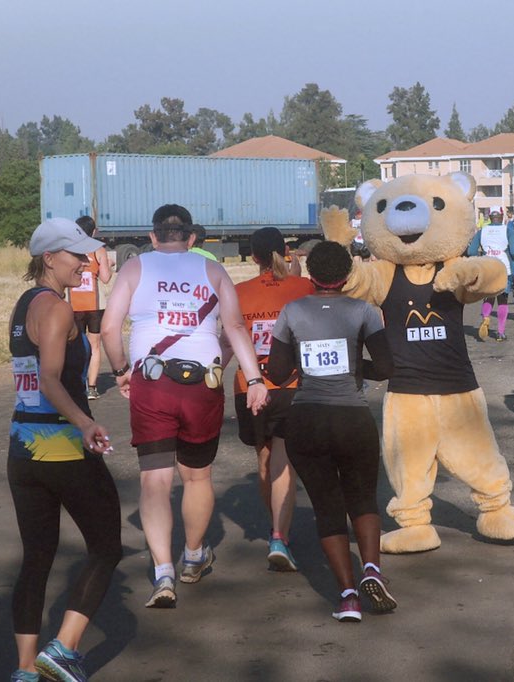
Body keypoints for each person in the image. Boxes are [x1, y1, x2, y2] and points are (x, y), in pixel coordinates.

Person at [101, 204, 268, 609]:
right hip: (202, 384)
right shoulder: (212, 271)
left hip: (152, 382)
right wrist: (257, 379)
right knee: (196, 478)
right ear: (192, 238)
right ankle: (194, 553)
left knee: (154, 482)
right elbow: (234, 328)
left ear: (153, 236)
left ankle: (162, 572)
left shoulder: (135, 267)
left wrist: (122, 370)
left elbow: (109, 328)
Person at [8, 218, 122, 682]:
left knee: (37, 557)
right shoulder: (55, 309)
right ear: (50, 258)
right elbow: (51, 379)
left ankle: (24, 670)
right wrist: (87, 422)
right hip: (61, 448)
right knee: (107, 546)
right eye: (78, 255)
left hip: (23, 449)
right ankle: (63, 648)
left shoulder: (24, 304)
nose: (87, 263)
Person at [266, 240, 397, 622]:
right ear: (346, 276)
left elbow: (276, 372)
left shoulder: (291, 311)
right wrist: (354, 371)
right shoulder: (365, 311)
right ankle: (371, 568)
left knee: (327, 507)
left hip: (306, 419)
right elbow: (386, 367)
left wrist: (304, 367)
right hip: (351, 418)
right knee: (362, 498)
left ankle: (347, 596)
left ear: (311, 275)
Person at [230, 227, 314, 571]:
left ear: (253, 258)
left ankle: (274, 528)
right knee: (284, 463)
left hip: (249, 386)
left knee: (264, 460)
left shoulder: (238, 293)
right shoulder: (304, 288)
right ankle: (281, 535)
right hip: (292, 386)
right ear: (286, 252)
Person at [66, 216, 112, 401]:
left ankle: (75, 385)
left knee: (73, 346)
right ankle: (92, 388)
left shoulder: (70, 250)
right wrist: (108, 264)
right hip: (94, 306)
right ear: (94, 231)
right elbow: (106, 278)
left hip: (73, 305)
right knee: (94, 346)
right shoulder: (98, 250)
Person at [468, 206, 514, 341]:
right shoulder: (508, 230)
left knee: (489, 297)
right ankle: (501, 332)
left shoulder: (482, 231)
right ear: (501, 217)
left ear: (489, 217)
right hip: (503, 268)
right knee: (502, 301)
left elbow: (471, 251)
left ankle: (485, 317)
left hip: (487, 267)